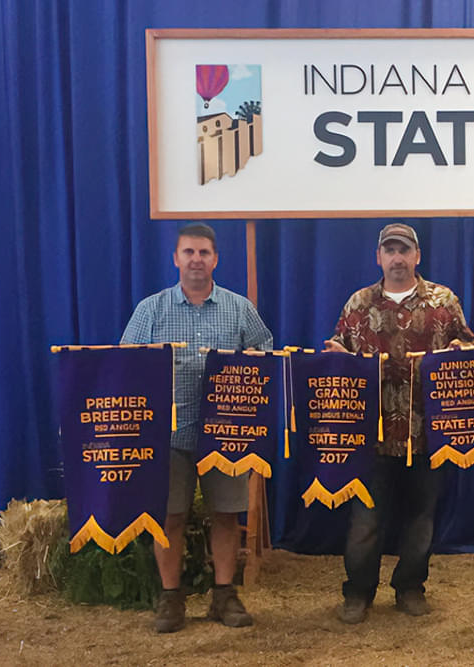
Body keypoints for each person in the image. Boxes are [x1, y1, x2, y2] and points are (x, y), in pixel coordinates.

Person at [121, 222, 273, 632]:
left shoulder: (239, 308)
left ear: (215, 259)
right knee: (170, 518)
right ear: (175, 258)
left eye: (204, 253)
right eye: (188, 252)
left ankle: (224, 594)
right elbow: (125, 364)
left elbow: (266, 354)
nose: (196, 260)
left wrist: (248, 364)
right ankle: (171, 598)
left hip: (226, 433)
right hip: (168, 435)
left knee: (226, 515)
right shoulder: (150, 310)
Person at [326, 222, 474, 624]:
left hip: (428, 430)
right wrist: (336, 354)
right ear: (378, 257)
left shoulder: (444, 300)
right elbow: (339, 352)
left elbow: (468, 345)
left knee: (421, 518)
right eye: (389, 250)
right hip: (371, 435)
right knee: (365, 520)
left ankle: (410, 587)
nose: (397, 257)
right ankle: (358, 593)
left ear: (417, 256)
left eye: (404, 250)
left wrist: (464, 350)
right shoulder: (358, 303)